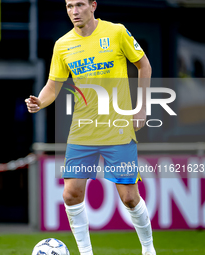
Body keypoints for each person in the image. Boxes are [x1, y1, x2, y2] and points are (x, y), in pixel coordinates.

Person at [25, 0, 156, 254]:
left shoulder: (116, 32)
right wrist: (40, 101)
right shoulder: (62, 45)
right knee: (71, 194)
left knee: (129, 198)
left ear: (93, 5)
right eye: (69, 6)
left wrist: (142, 107)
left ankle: (148, 249)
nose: (74, 11)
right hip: (83, 130)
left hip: (117, 128)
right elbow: (53, 86)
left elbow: (144, 65)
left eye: (80, 5)